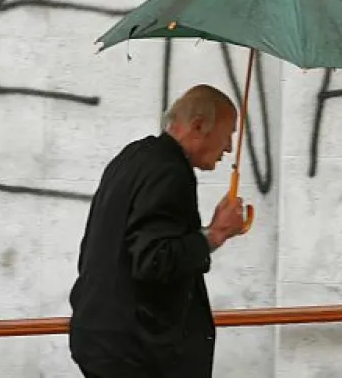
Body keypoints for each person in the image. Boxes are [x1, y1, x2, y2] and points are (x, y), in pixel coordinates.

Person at [68, 84, 249, 378]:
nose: (229, 147)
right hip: (135, 352)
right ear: (198, 125)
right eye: (228, 133)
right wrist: (216, 233)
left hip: (100, 337)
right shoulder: (170, 171)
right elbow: (154, 260)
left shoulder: (134, 156)